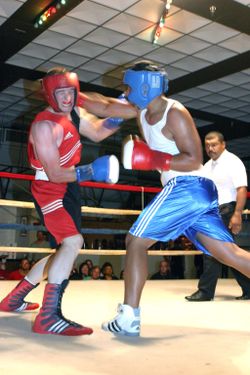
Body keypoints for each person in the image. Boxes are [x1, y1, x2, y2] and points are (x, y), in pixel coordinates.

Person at [101, 61, 250, 337]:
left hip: (186, 185)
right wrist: (73, 96)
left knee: (135, 241)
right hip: (197, 190)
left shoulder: (175, 112)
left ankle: (128, 318)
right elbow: (107, 107)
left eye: (130, 85)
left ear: (146, 85)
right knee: (228, 254)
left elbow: (194, 158)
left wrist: (154, 158)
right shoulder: (140, 109)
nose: (126, 90)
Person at [0, 66, 137, 336]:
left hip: (69, 186)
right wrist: (91, 171)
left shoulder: (73, 112)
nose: (66, 98)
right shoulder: (44, 126)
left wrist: (119, 116)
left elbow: (97, 132)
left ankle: (15, 298)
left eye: (70, 92)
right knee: (73, 243)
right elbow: (54, 173)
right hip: (50, 187)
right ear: (50, 94)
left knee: (64, 248)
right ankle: (48, 317)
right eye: (60, 92)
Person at [185, 131, 250, 301]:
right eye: (207, 145)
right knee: (229, 252)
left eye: (214, 145)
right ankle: (249, 288)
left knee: (212, 250)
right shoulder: (207, 166)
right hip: (211, 212)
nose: (210, 148)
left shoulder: (233, 162)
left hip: (227, 209)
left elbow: (242, 189)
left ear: (223, 144)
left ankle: (205, 291)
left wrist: (237, 214)